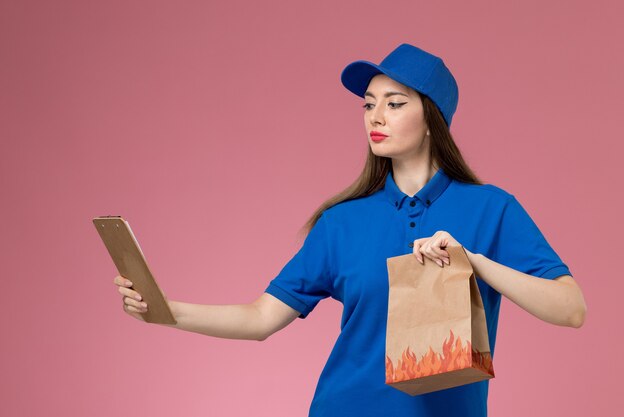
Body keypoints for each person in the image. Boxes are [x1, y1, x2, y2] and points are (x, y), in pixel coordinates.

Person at [113, 43, 587, 416]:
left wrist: (475, 262)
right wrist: (166, 310)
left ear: (431, 122)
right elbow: (260, 319)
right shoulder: (341, 222)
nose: (376, 117)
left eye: (395, 104)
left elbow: (570, 309)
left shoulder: (491, 209)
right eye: (368, 105)